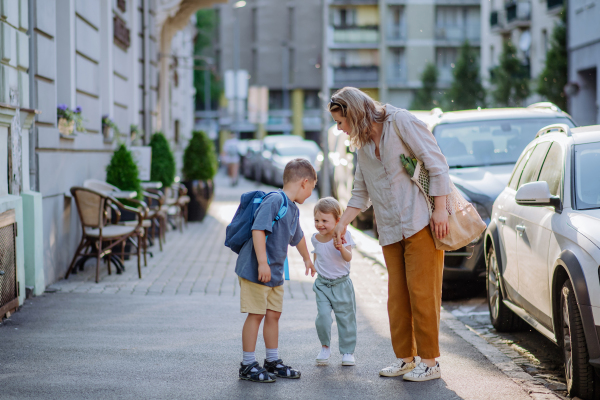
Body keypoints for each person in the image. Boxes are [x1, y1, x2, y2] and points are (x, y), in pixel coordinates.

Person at [330, 87, 451, 382]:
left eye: (340, 121)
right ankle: (406, 359)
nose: (339, 128)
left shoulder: (401, 123)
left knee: (423, 294)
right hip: (390, 228)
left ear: (354, 114)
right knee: (397, 297)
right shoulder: (362, 144)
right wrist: (342, 223)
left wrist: (440, 210)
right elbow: (361, 190)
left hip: (421, 221)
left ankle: (430, 362)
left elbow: (438, 165)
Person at [236, 158, 317, 383]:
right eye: (312, 188)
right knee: (257, 314)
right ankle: (247, 364)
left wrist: (307, 259)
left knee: (273, 314)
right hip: (257, 270)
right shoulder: (275, 200)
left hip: (276, 274)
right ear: (304, 182)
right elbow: (258, 229)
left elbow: (297, 236)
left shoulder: (292, 208)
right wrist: (262, 262)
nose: (311, 193)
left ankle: (271, 361)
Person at [311, 197, 357, 367]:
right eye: (316, 220)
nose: (320, 224)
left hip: (341, 284)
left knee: (346, 319)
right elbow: (317, 253)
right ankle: (325, 346)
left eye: (324, 220)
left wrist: (341, 248)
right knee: (322, 317)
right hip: (322, 285)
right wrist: (314, 266)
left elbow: (348, 257)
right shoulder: (315, 238)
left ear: (338, 221)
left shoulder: (344, 235)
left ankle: (347, 351)